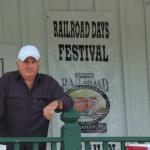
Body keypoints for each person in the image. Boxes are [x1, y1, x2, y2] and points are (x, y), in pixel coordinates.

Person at [0, 45, 74, 150]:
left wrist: (56, 102)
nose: (30, 66)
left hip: (36, 147)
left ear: (39, 64)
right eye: (26, 62)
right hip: (9, 146)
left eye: (33, 62)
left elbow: (68, 100)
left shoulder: (48, 83)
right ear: (18, 64)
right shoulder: (6, 81)